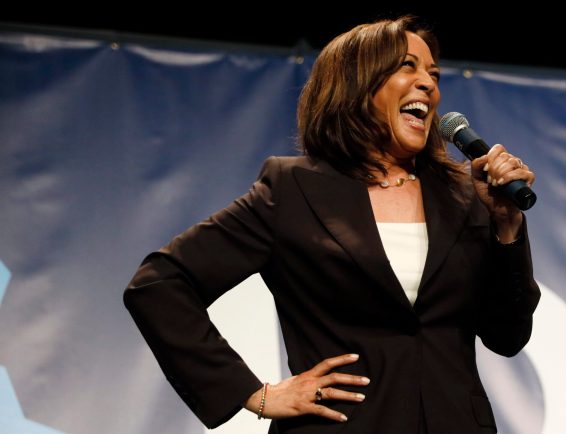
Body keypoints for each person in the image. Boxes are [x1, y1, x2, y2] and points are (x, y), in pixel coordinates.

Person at [123, 15, 540, 434]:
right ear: (355, 85)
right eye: (407, 66)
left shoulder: (464, 195)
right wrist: (254, 393)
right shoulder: (293, 190)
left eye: (433, 73)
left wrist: (506, 227)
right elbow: (159, 284)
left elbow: (507, 336)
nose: (429, 84)